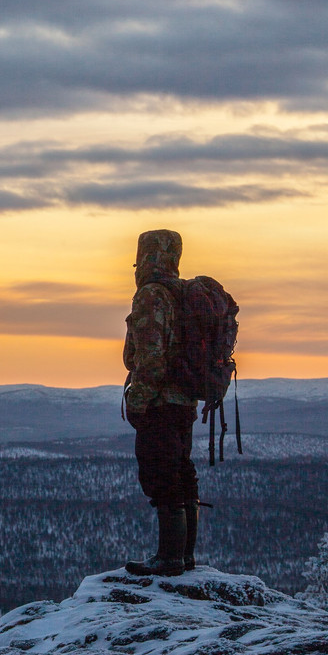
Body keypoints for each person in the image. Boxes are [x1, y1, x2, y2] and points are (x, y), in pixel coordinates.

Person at [122, 229, 199, 577]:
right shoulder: (181, 293)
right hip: (184, 401)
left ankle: (169, 559)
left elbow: (151, 358)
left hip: (160, 402)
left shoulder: (152, 295)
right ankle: (184, 556)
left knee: (161, 475)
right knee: (182, 472)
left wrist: (137, 402)